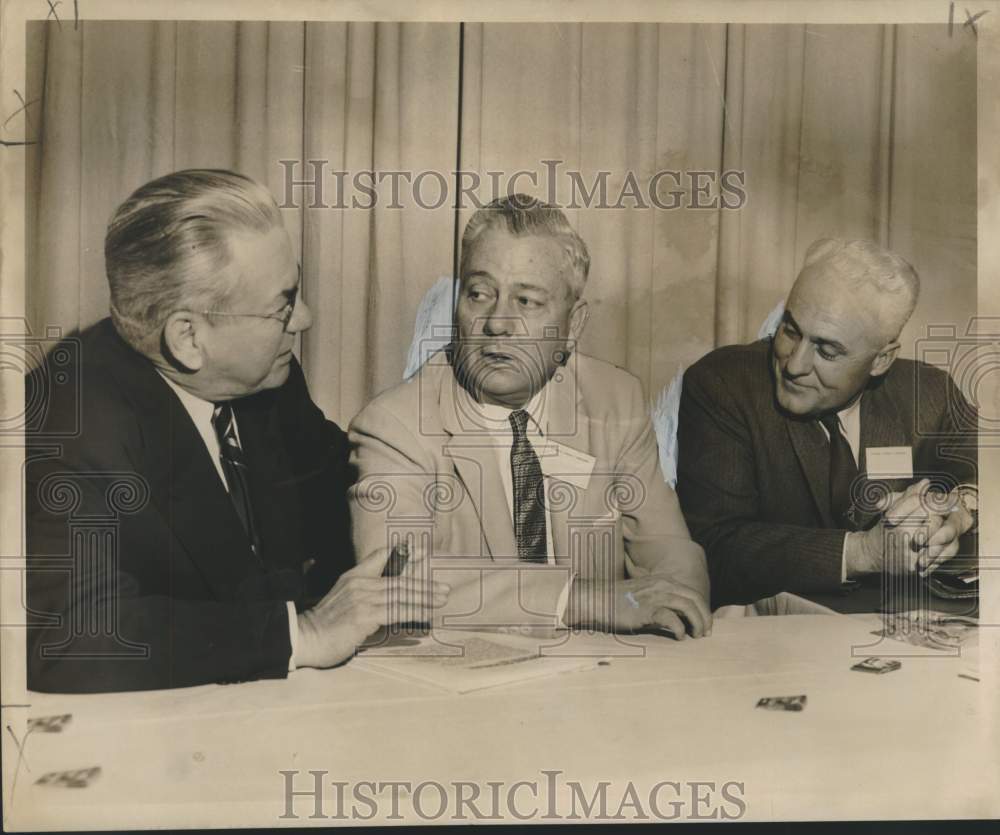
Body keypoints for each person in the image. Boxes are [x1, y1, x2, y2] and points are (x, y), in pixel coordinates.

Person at [25, 169, 447, 693]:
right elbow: (70, 633)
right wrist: (304, 632)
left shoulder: (264, 377)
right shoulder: (67, 425)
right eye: (283, 305)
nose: (305, 319)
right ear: (188, 338)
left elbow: (339, 490)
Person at [348, 195, 711, 638]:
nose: (498, 322)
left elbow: (667, 548)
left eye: (527, 301)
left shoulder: (615, 401)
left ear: (573, 327)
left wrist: (675, 606)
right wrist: (583, 600)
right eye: (479, 294)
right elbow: (393, 584)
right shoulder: (395, 426)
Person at [677, 238, 978, 610]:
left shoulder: (929, 393)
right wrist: (864, 552)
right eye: (790, 330)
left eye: (826, 350)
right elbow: (715, 547)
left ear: (881, 360)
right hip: (778, 641)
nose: (794, 364)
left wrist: (959, 508)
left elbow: (984, 477)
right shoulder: (724, 385)